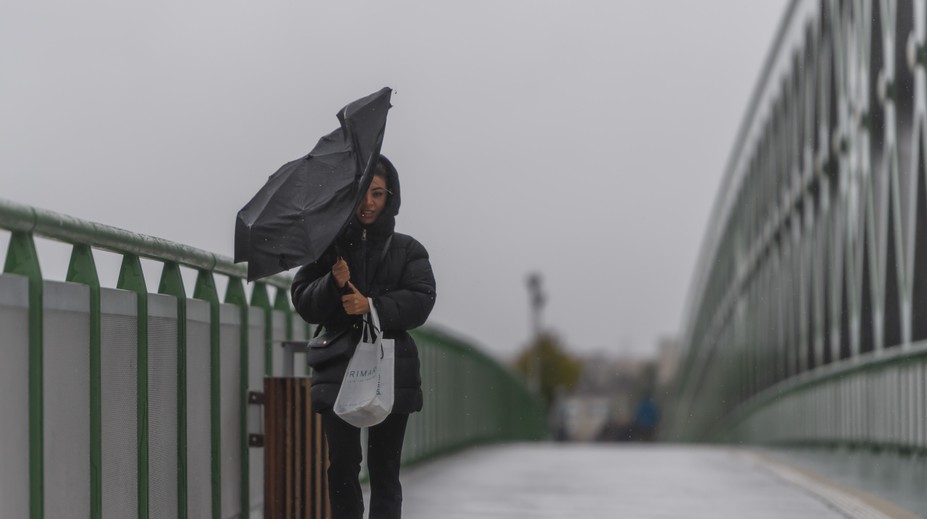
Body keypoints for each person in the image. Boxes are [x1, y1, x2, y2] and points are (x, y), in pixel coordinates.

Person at [290, 155, 436, 519]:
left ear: (391, 197)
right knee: (341, 466)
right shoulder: (329, 247)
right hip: (337, 364)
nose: (368, 202)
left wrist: (371, 306)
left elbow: (421, 300)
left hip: (390, 366)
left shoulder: (409, 250)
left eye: (378, 193)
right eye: (362, 193)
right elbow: (304, 302)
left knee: (385, 469)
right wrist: (332, 282)